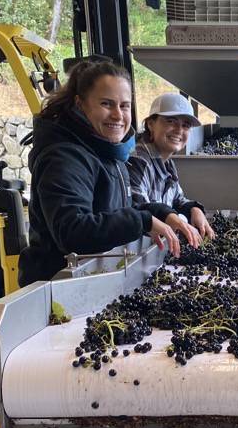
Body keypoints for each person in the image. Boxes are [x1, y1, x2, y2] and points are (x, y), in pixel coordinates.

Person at [18, 61, 200, 286]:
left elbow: (117, 210)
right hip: (56, 288)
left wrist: (162, 213)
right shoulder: (64, 157)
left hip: (91, 280)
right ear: (80, 104)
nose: (117, 115)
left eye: (124, 106)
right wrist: (142, 221)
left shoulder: (107, 151)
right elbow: (73, 231)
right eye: (106, 104)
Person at [128, 93, 215, 239]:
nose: (179, 130)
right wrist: (170, 216)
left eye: (185, 125)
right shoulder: (138, 161)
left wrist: (194, 208)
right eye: (171, 121)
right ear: (150, 124)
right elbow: (138, 211)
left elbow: (177, 199)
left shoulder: (167, 163)